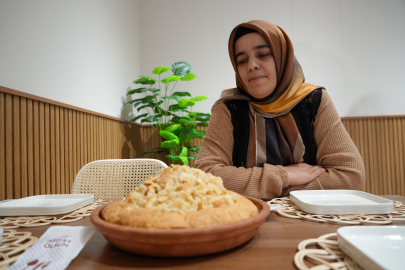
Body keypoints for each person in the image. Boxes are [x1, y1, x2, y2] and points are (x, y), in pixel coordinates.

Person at [194, 20, 365, 199]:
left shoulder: (314, 100)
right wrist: (285, 175)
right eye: (242, 60)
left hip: (310, 223)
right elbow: (206, 176)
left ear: (282, 57)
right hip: (248, 220)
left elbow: (351, 178)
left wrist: (256, 189)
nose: (251, 65)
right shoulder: (229, 109)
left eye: (263, 54)